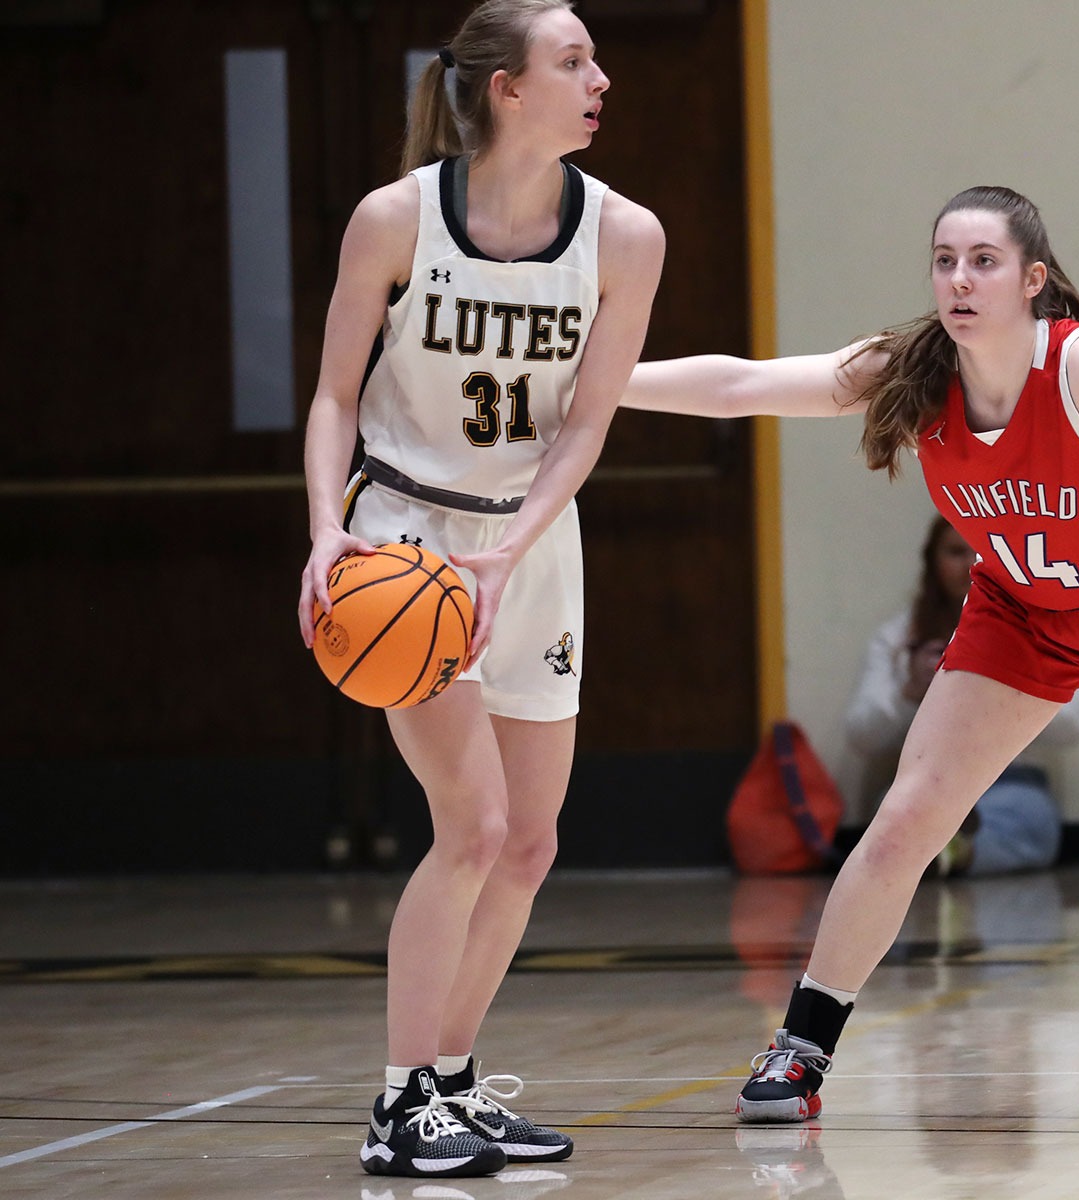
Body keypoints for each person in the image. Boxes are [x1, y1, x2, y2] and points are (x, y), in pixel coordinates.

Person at [619, 185, 1079, 1124]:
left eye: (984, 261)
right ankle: (800, 1049)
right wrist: (606, 380)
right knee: (908, 816)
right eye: (945, 261)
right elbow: (744, 385)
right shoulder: (913, 373)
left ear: (1032, 280)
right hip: (1023, 608)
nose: (959, 279)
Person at [297, 0, 664, 1177]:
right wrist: (323, 534)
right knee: (474, 826)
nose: (599, 78)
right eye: (573, 61)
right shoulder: (395, 218)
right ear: (506, 88)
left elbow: (591, 419)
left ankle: (451, 1081)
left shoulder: (627, 236)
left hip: (533, 548)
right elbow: (335, 399)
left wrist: (518, 546)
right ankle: (400, 1103)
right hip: (402, 542)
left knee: (531, 842)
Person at [846, 514, 1079, 877]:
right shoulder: (899, 637)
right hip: (927, 780)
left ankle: (949, 856)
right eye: (955, 552)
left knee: (1032, 821)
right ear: (932, 562)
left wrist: (1011, 681)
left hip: (1009, 785)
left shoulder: (1035, 627)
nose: (970, 564)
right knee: (892, 815)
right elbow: (861, 735)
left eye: (981, 550)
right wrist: (911, 691)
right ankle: (946, 852)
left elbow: (1075, 725)